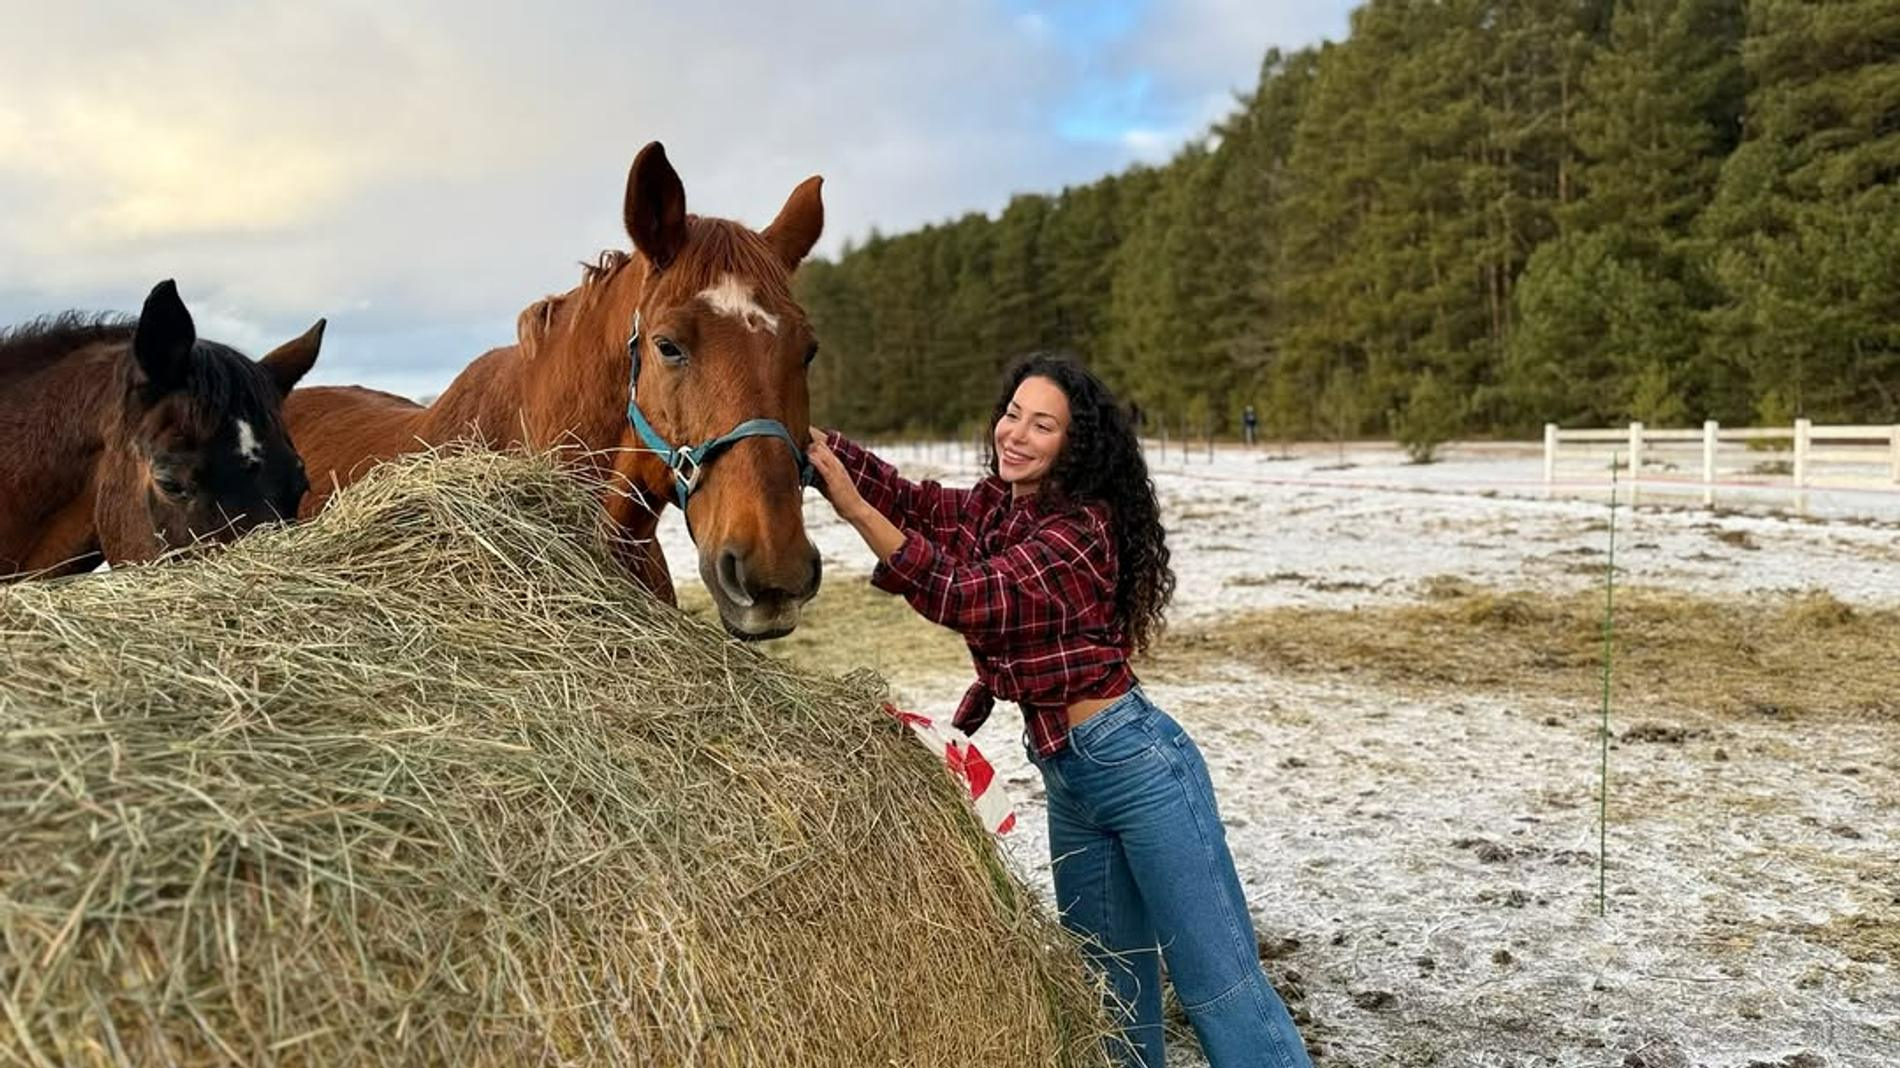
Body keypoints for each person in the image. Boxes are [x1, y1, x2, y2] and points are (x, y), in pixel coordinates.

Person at [806, 353, 1313, 1068]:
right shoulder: (1002, 507)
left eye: (1042, 425)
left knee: (1219, 987)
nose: (1015, 433)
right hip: (1069, 777)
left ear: (1073, 445)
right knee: (1110, 993)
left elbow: (963, 594)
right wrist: (804, 440)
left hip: (1138, 767)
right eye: (1012, 413)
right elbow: (914, 502)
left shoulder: (1080, 532)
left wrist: (852, 511)